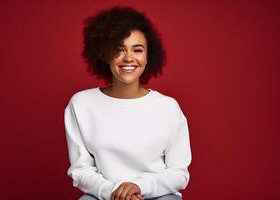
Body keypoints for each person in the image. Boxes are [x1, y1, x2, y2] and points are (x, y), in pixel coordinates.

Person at [64, 6, 192, 200]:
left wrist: (138, 187)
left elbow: (179, 173)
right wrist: (115, 192)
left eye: (137, 50)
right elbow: (81, 170)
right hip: (103, 196)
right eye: (119, 49)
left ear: (148, 57)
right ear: (105, 54)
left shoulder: (168, 107)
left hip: (158, 196)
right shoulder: (81, 104)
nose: (129, 58)